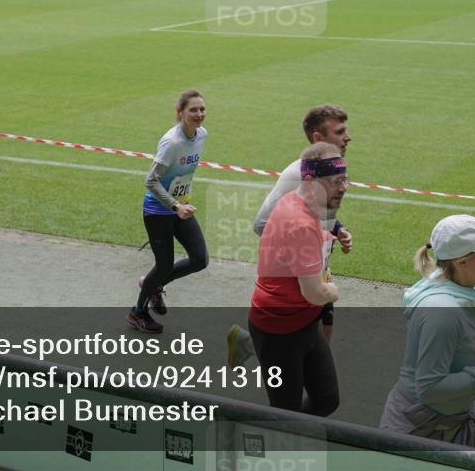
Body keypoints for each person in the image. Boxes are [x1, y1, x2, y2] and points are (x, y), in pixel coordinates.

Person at [379, 215, 475, 448]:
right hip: (423, 430)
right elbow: (430, 388)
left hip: (439, 421)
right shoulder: (443, 310)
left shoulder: (451, 283)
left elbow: (449, 342)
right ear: (462, 262)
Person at [229, 105, 353, 366]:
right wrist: (298, 252)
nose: (348, 137)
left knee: (322, 332)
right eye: (340, 132)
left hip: (318, 267)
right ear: (318, 138)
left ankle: (247, 344)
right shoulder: (297, 175)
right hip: (297, 273)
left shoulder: (334, 170)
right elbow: (262, 224)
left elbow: (322, 213)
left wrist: (337, 230)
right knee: (304, 338)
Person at [248, 141, 348, 416]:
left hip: (305, 323)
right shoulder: (300, 222)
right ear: (310, 181)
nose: (343, 187)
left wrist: (326, 237)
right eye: (335, 181)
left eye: (344, 179)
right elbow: (315, 293)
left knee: (327, 401)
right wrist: (333, 290)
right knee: (285, 412)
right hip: (278, 330)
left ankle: (293, 432)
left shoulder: (297, 200)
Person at [128, 89, 209, 334]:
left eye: (202, 109)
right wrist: (175, 205)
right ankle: (137, 312)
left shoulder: (202, 135)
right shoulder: (171, 142)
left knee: (199, 259)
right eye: (193, 110)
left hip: (181, 209)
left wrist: (180, 204)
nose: (199, 114)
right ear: (180, 112)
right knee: (163, 265)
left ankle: (153, 285)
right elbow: (151, 181)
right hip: (158, 211)